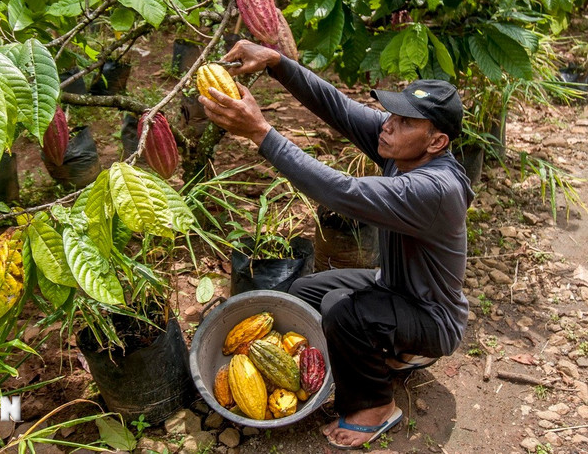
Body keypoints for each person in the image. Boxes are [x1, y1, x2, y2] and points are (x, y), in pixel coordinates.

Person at [199, 40, 474, 450]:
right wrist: (277, 62)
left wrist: (259, 131)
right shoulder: (403, 149)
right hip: (393, 287)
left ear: (436, 142)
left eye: (404, 122)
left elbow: (340, 191)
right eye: (392, 114)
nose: (388, 124)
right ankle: (392, 353)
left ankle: (377, 406)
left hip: (433, 316)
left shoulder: (435, 188)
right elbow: (338, 107)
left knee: (342, 313)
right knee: (303, 293)